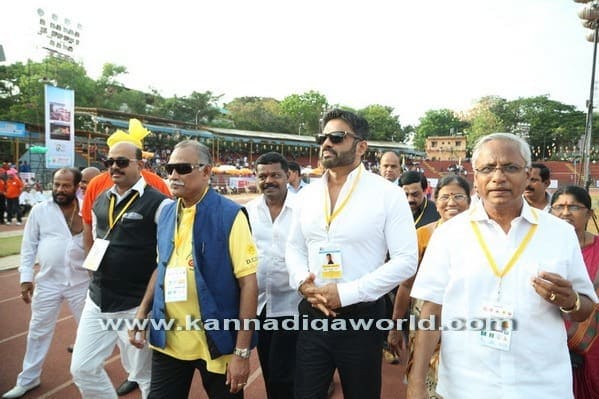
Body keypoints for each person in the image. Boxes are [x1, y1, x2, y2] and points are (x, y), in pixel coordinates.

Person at [409, 132, 598, 399]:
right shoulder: (449, 234)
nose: (499, 177)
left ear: (527, 173)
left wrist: (570, 301)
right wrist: (416, 383)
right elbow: (431, 309)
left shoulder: (560, 233)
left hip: (541, 385)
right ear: (476, 176)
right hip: (466, 386)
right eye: (488, 168)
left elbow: (585, 308)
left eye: (510, 167)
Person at [285, 109, 417, 398]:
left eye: (337, 137)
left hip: (362, 319)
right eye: (323, 137)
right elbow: (294, 246)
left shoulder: (387, 194)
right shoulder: (306, 195)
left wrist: (347, 293)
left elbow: (407, 260)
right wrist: (301, 282)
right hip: (313, 314)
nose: (326, 143)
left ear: (361, 146)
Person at [129, 140, 258, 399]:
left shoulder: (230, 215)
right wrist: (142, 312)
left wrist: (242, 353)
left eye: (183, 168)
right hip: (170, 339)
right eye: (170, 168)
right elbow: (161, 267)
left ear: (206, 171)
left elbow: (249, 284)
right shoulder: (166, 213)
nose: (174, 175)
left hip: (217, 339)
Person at [70, 141, 171, 399]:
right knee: (82, 368)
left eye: (122, 162)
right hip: (97, 300)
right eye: (110, 162)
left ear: (141, 165)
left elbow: (165, 260)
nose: (114, 167)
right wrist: (93, 272)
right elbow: (95, 240)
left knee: (145, 376)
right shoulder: (102, 199)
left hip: (134, 306)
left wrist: (145, 308)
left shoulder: (160, 204)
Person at [2, 168, 88, 399]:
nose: (60, 190)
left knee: (90, 332)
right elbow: (28, 246)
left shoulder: (88, 209)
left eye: (66, 185)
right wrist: (25, 278)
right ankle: (28, 379)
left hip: (82, 282)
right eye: (57, 184)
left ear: (77, 186)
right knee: (38, 331)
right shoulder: (40, 210)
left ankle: (89, 376)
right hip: (48, 282)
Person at [388, 175, 471, 399]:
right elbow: (406, 286)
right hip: (426, 317)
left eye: (458, 196)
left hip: (467, 318)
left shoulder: (482, 236)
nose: (451, 202)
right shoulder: (423, 235)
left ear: (470, 200)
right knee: (425, 378)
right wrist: (395, 326)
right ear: (434, 199)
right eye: (445, 197)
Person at [245, 151, 301, 399]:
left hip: (296, 305)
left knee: (290, 372)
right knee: (269, 368)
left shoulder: (305, 209)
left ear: (287, 176)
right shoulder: (247, 211)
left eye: (275, 175)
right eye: (263, 176)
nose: (269, 180)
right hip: (261, 305)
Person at [550, 185, 599, 398]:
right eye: (558, 207)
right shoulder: (542, 248)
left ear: (589, 213)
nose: (565, 213)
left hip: (594, 343)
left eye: (574, 207)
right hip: (550, 339)